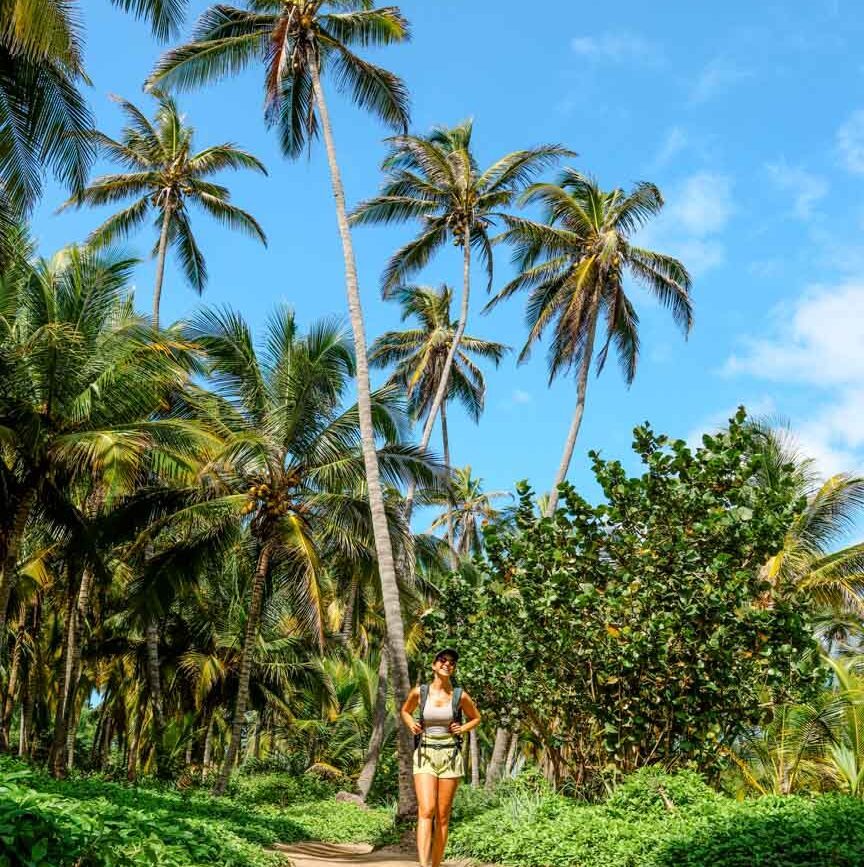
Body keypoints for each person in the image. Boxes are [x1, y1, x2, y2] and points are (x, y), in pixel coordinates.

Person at [400, 647, 481, 867]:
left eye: (452, 662)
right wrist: (411, 724)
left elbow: (476, 718)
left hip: (450, 756)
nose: (447, 664)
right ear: (434, 665)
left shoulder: (459, 695)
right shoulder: (420, 692)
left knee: (443, 816)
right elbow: (405, 711)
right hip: (425, 753)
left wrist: (462, 728)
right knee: (426, 810)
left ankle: (436, 864)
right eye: (443, 660)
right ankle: (423, 865)